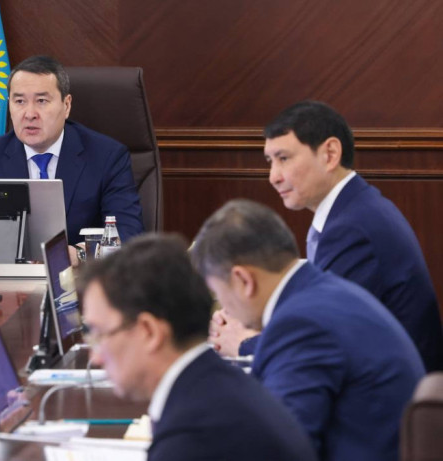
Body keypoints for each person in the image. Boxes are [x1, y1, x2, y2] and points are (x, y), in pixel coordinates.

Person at [209, 100, 443, 372]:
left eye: (283, 158)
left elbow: (321, 338)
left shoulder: (353, 229)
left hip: (395, 392)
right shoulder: (354, 209)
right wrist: (250, 319)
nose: (273, 176)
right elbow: (318, 317)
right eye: (270, 161)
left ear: (330, 154)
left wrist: (244, 343)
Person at [192, 199, 424, 461]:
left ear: (243, 280)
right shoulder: (320, 292)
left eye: (219, 293)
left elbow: (280, 449)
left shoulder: (299, 323)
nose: (224, 308)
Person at [79, 234, 317, 461]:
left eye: (99, 334)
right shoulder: (218, 386)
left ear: (149, 331)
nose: (95, 357)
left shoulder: (192, 437)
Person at [0, 55, 144, 245]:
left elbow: (127, 234)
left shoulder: (107, 157)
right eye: (19, 101)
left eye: (41, 101)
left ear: (66, 105)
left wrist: (80, 254)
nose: (29, 114)